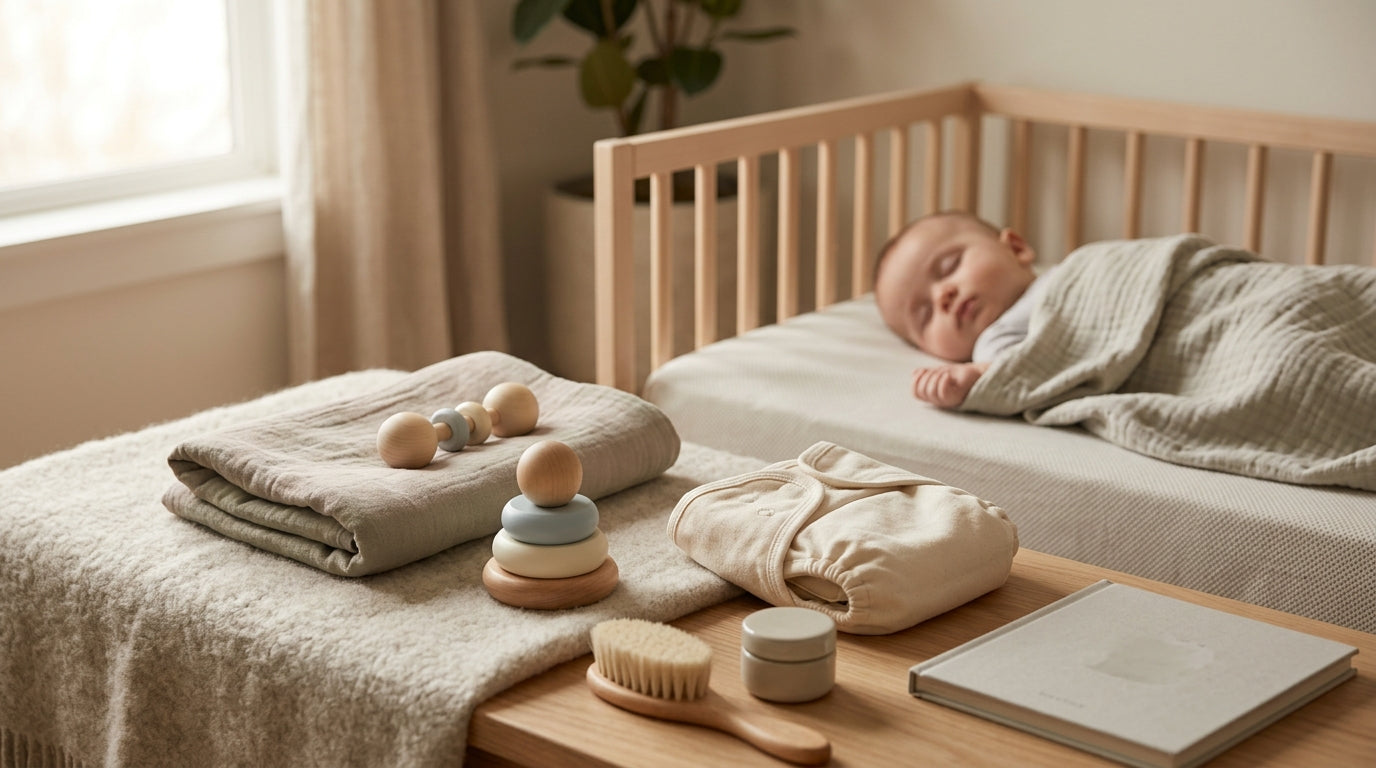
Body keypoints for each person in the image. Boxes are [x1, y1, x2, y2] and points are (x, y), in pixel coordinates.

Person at [873, 211, 1049, 409]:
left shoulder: (1068, 272)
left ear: (1016, 248)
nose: (941, 296)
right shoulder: (994, 342)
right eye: (926, 315)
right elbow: (1010, 377)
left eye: (950, 266)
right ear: (928, 349)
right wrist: (974, 378)